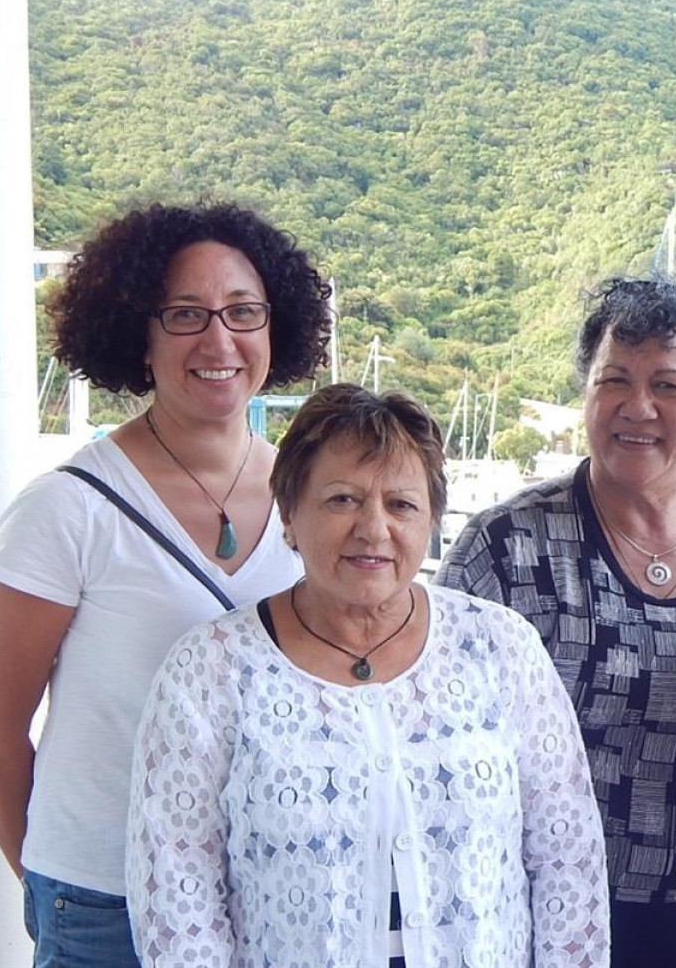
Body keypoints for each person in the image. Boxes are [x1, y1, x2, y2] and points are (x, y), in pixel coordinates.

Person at [0, 201, 330, 967]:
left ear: (274, 327)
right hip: (108, 901)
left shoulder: (314, 491)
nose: (219, 340)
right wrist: (49, 882)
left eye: (242, 312)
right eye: (186, 314)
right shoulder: (67, 509)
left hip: (276, 891)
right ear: (141, 334)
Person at [125, 383, 609, 967]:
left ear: (430, 519)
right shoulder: (209, 672)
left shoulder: (500, 647)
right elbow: (179, 902)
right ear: (290, 514)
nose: (374, 528)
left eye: (401, 504)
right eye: (342, 500)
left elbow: (567, 861)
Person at [436, 276, 676, 968]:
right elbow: (431, 745)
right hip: (538, 914)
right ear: (586, 394)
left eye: (668, 386)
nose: (638, 407)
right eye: (615, 381)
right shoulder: (505, 548)